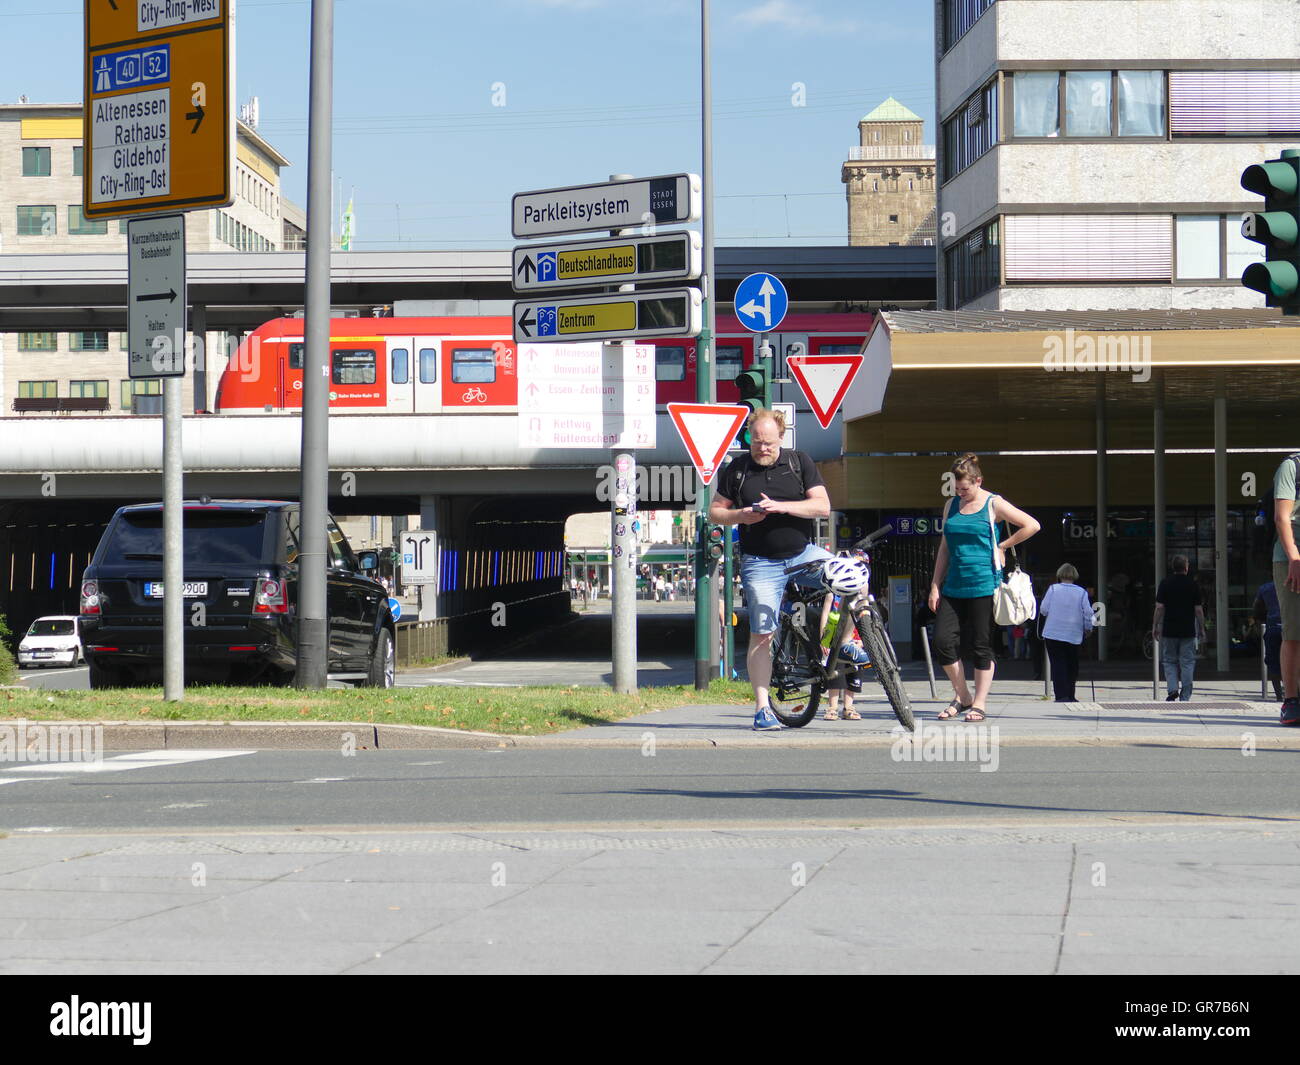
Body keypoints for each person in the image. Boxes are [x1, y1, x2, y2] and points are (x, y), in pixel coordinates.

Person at [710, 408, 832, 731]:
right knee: (762, 633)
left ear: (781, 437)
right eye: (756, 443)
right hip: (761, 563)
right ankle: (763, 708)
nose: (762, 449)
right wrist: (740, 516)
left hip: (802, 553)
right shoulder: (737, 470)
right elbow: (715, 513)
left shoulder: (799, 462)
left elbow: (822, 506)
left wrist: (782, 507)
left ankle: (843, 642)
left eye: (769, 443)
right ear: (750, 439)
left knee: (852, 577)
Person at [929, 452, 1040, 723]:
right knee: (943, 642)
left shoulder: (993, 503)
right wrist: (934, 585)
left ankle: (979, 702)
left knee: (981, 645)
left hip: (983, 583)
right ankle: (962, 695)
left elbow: (1032, 525)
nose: (961, 493)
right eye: (957, 489)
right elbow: (944, 548)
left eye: (965, 488)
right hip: (954, 585)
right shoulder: (951, 506)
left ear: (978, 481)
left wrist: (1002, 545)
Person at [1271, 453, 1300, 725]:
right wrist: (1294, 558)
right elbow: (1282, 518)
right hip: (1292, 559)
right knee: (1294, 630)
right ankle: (1291, 701)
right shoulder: (1292, 467)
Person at [1152, 555, 1204, 701]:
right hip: (1188, 630)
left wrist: (1155, 625)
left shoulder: (1165, 583)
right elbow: (1198, 610)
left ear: (1173, 567)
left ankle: (1172, 689)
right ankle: (1185, 695)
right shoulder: (1193, 585)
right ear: (1186, 568)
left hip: (1169, 629)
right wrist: (1201, 627)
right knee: (1187, 662)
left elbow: (1160, 607)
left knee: (1169, 660)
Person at [1039, 563, 1094, 702]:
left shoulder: (1053, 589)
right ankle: (1071, 694)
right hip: (1073, 634)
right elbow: (1088, 612)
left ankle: (1061, 695)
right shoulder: (1081, 592)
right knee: (1072, 665)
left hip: (1053, 633)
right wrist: (1088, 628)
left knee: (1058, 664)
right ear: (1074, 575)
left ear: (1060, 574)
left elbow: (1044, 609)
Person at [1253, 580, 1283, 700]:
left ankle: (1279, 695)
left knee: (1273, 663)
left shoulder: (1265, 588)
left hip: (1273, 626)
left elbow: (1257, 606)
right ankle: (1294, 694)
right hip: (1291, 627)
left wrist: (1260, 619)